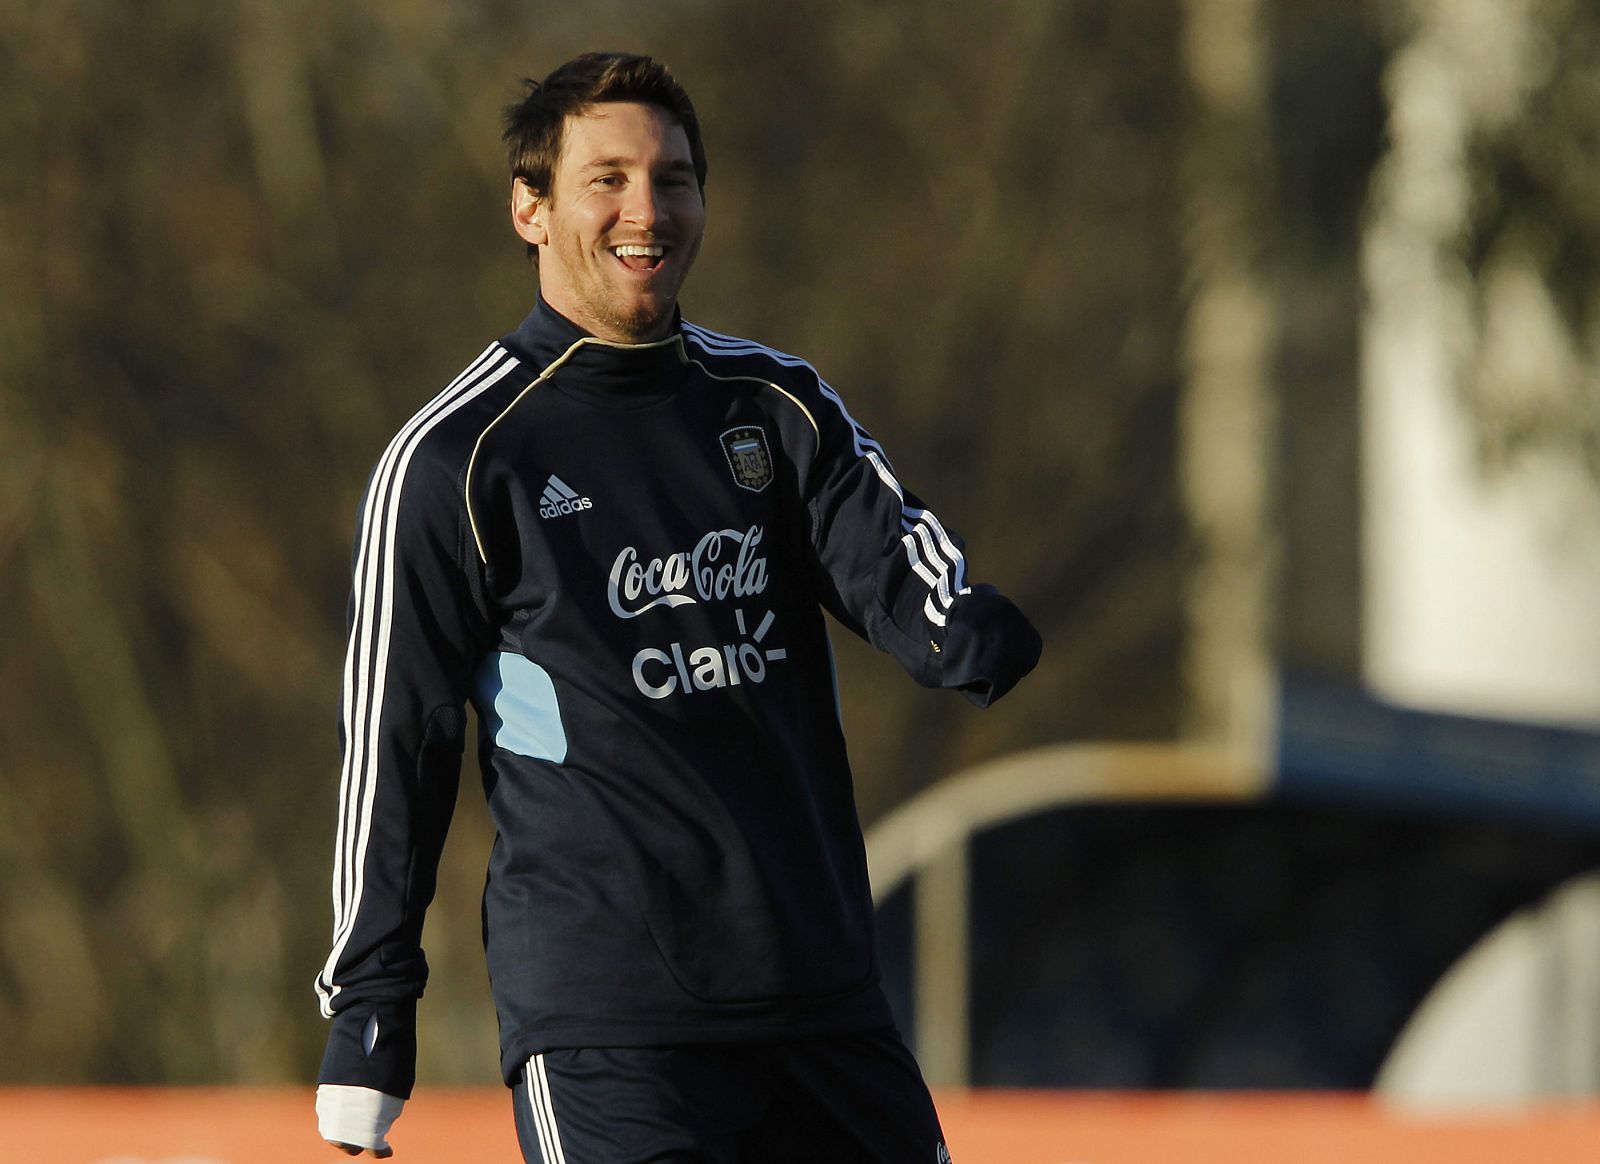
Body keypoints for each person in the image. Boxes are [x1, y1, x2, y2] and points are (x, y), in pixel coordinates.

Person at [313, 50, 1041, 1162]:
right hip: (612, 1028)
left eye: (675, 179)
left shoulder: (775, 404)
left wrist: (956, 628)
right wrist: (370, 1018)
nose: (645, 211)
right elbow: (393, 744)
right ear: (530, 208)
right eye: (606, 179)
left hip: (823, 1002)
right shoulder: (457, 459)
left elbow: (890, 556)